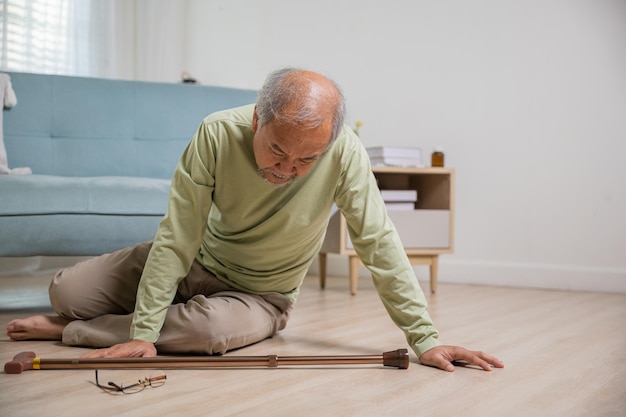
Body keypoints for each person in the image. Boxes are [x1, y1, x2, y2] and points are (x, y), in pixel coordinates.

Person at [7, 68, 503, 372]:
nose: (287, 170)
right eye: (278, 151)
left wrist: (426, 339)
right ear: (256, 121)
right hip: (193, 261)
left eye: (306, 160)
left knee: (209, 334)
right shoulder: (217, 133)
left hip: (258, 296)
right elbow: (178, 237)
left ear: (329, 143)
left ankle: (73, 331)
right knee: (66, 293)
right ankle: (109, 320)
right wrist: (143, 332)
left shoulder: (345, 153)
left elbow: (379, 244)